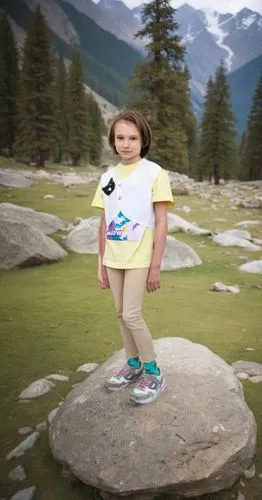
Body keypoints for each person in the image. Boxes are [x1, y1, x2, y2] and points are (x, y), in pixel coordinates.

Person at [91, 109, 174, 404]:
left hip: (140, 255)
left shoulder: (154, 173)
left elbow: (161, 221)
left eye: (133, 138)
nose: (126, 144)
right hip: (113, 256)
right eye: (120, 138)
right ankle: (133, 364)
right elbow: (104, 221)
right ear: (113, 141)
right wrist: (100, 261)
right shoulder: (107, 177)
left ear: (143, 140)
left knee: (132, 314)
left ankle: (153, 372)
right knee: (119, 314)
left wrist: (156, 265)